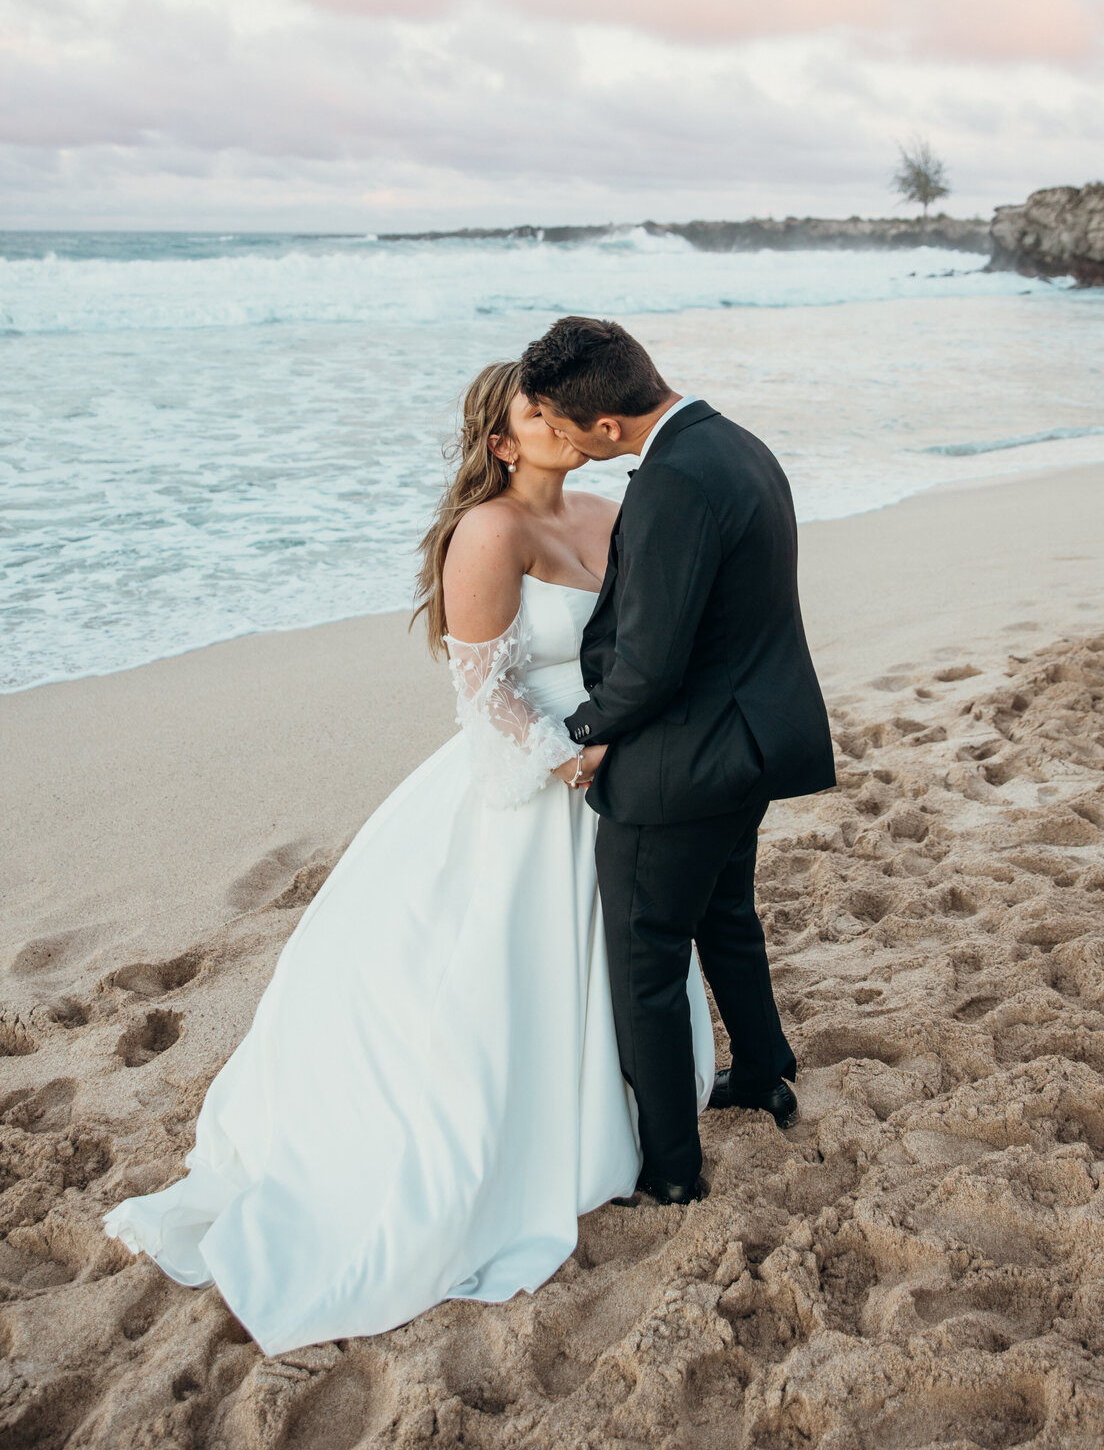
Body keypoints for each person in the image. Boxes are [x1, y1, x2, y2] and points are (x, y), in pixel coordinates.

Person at [103, 361, 715, 1355]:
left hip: (623, 777)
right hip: (540, 785)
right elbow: (486, 701)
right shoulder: (487, 535)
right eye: (536, 410)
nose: (561, 418)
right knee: (488, 986)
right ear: (505, 443)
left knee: (629, 955)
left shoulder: (609, 513)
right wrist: (573, 760)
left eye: (566, 405)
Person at [519, 317, 836, 1206]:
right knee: (727, 914)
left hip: (687, 767)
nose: (569, 443)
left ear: (608, 426)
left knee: (645, 960)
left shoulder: (671, 485)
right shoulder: (735, 443)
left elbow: (650, 664)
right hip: (757, 742)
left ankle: (670, 1167)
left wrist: (579, 736)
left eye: (571, 428)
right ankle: (764, 1069)